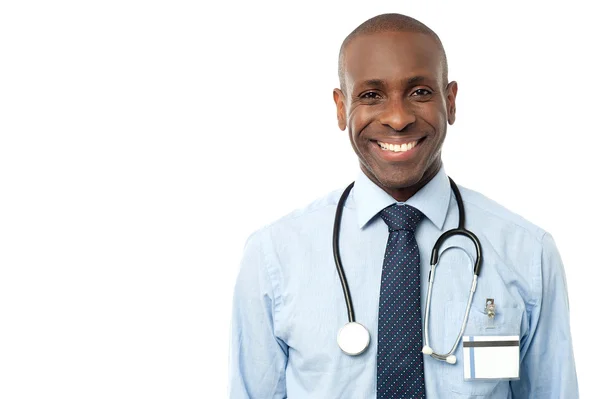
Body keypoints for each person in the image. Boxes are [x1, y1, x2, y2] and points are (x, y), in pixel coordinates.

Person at [229, 13, 578, 398]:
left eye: (420, 92)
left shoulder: (527, 251)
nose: (397, 118)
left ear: (451, 101)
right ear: (341, 108)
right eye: (371, 95)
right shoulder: (273, 256)